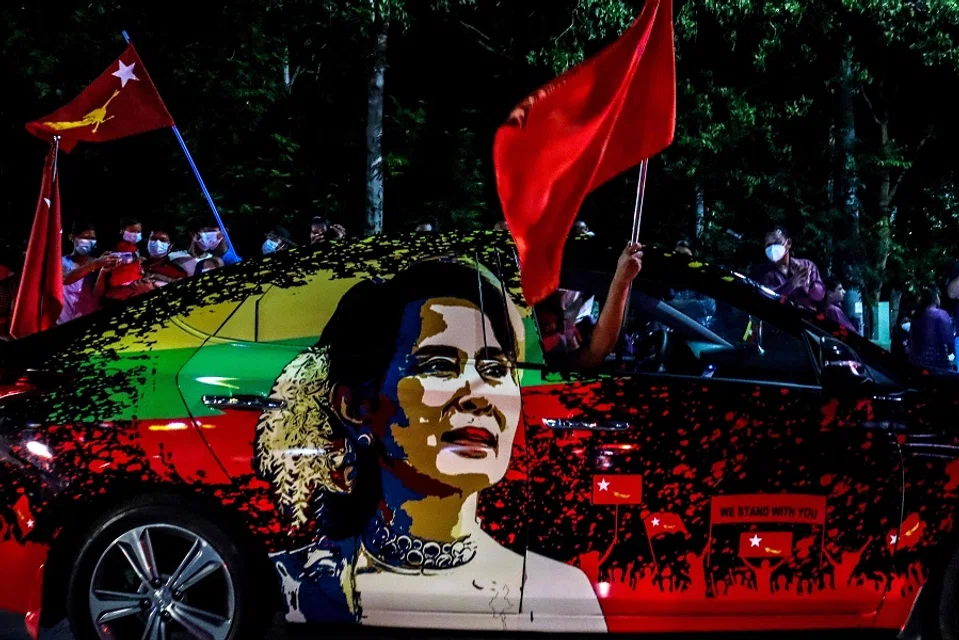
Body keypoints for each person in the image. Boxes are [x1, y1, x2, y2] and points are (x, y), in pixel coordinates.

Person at [256, 259, 604, 628]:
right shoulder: (294, 584)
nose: (479, 395)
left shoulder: (558, 592)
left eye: (496, 369)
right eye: (439, 366)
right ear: (356, 406)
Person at [537, 242, 643, 370]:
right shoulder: (533, 355)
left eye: (551, 325)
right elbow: (594, 354)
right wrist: (621, 282)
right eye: (544, 327)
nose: (551, 328)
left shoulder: (564, 335)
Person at [58, 222, 119, 324]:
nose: (89, 242)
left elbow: (96, 295)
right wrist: (95, 264)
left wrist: (103, 271)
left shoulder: (99, 262)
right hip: (65, 321)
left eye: (92, 238)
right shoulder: (61, 261)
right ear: (71, 237)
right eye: (85, 237)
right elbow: (65, 279)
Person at [760, 226, 825, 309]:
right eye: (769, 245)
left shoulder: (807, 265)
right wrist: (792, 284)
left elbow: (820, 295)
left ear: (789, 243)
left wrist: (809, 287)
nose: (773, 248)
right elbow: (767, 298)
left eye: (777, 242)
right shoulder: (765, 273)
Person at [170, 218, 237, 276]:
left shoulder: (215, 261)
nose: (214, 237)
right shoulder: (173, 256)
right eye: (208, 232)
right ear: (194, 234)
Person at [909, 287, 955, 372]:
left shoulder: (916, 316)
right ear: (936, 297)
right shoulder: (941, 314)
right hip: (938, 365)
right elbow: (949, 341)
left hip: (916, 365)